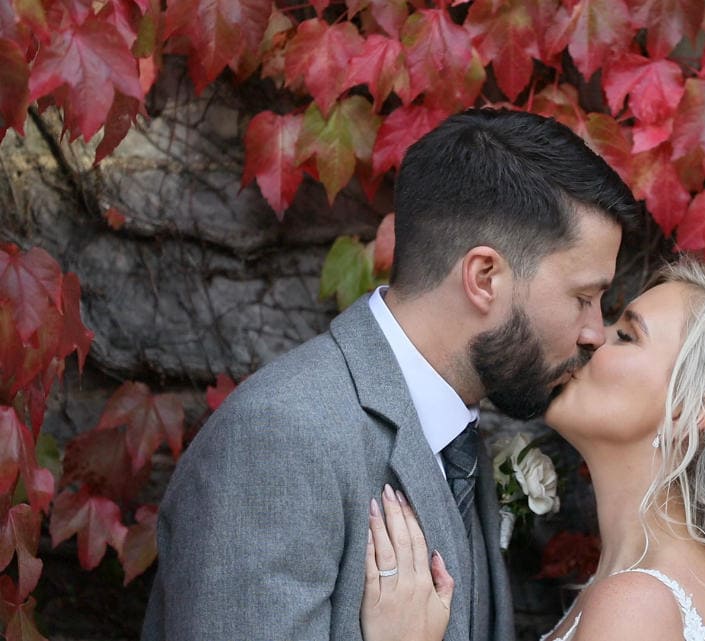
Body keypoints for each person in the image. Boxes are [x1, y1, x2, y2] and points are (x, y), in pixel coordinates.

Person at [142, 108, 641, 641]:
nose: (594, 330)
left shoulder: (458, 442)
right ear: (484, 277)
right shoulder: (281, 439)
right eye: (583, 297)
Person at [362, 260, 705, 641]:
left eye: (628, 335)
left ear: (686, 410)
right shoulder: (665, 591)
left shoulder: (637, 606)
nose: (594, 337)